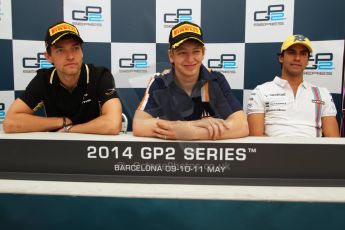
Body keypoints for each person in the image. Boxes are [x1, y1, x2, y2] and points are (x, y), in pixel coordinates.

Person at [133, 21, 249, 140]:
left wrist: (193, 133)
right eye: (182, 53)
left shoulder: (215, 79)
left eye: (196, 51)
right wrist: (192, 125)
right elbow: (139, 125)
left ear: (203, 53)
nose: (190, 59)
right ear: (171, 55)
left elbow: (241, 125)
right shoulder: (160, 81)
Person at [3, 21, 122, 134]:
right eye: (60, 50)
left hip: (92, 149)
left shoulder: (100, 76)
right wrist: (62, 121)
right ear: (49, 57)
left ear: (82, 52)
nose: (70, 56)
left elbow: (113, 124)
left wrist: (69, 129)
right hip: (56, 149)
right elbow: (10, 123)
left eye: (75, 48)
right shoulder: (44, 79)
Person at [247, 34, 339, 137]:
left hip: (313, 152)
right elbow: (256, 139)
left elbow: (333, 140)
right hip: (273, 152)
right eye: (292, 53)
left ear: (308, 60)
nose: (297, 58)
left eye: (303, 54)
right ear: (281, 58)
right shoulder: (261, 91)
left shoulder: (322, 93)